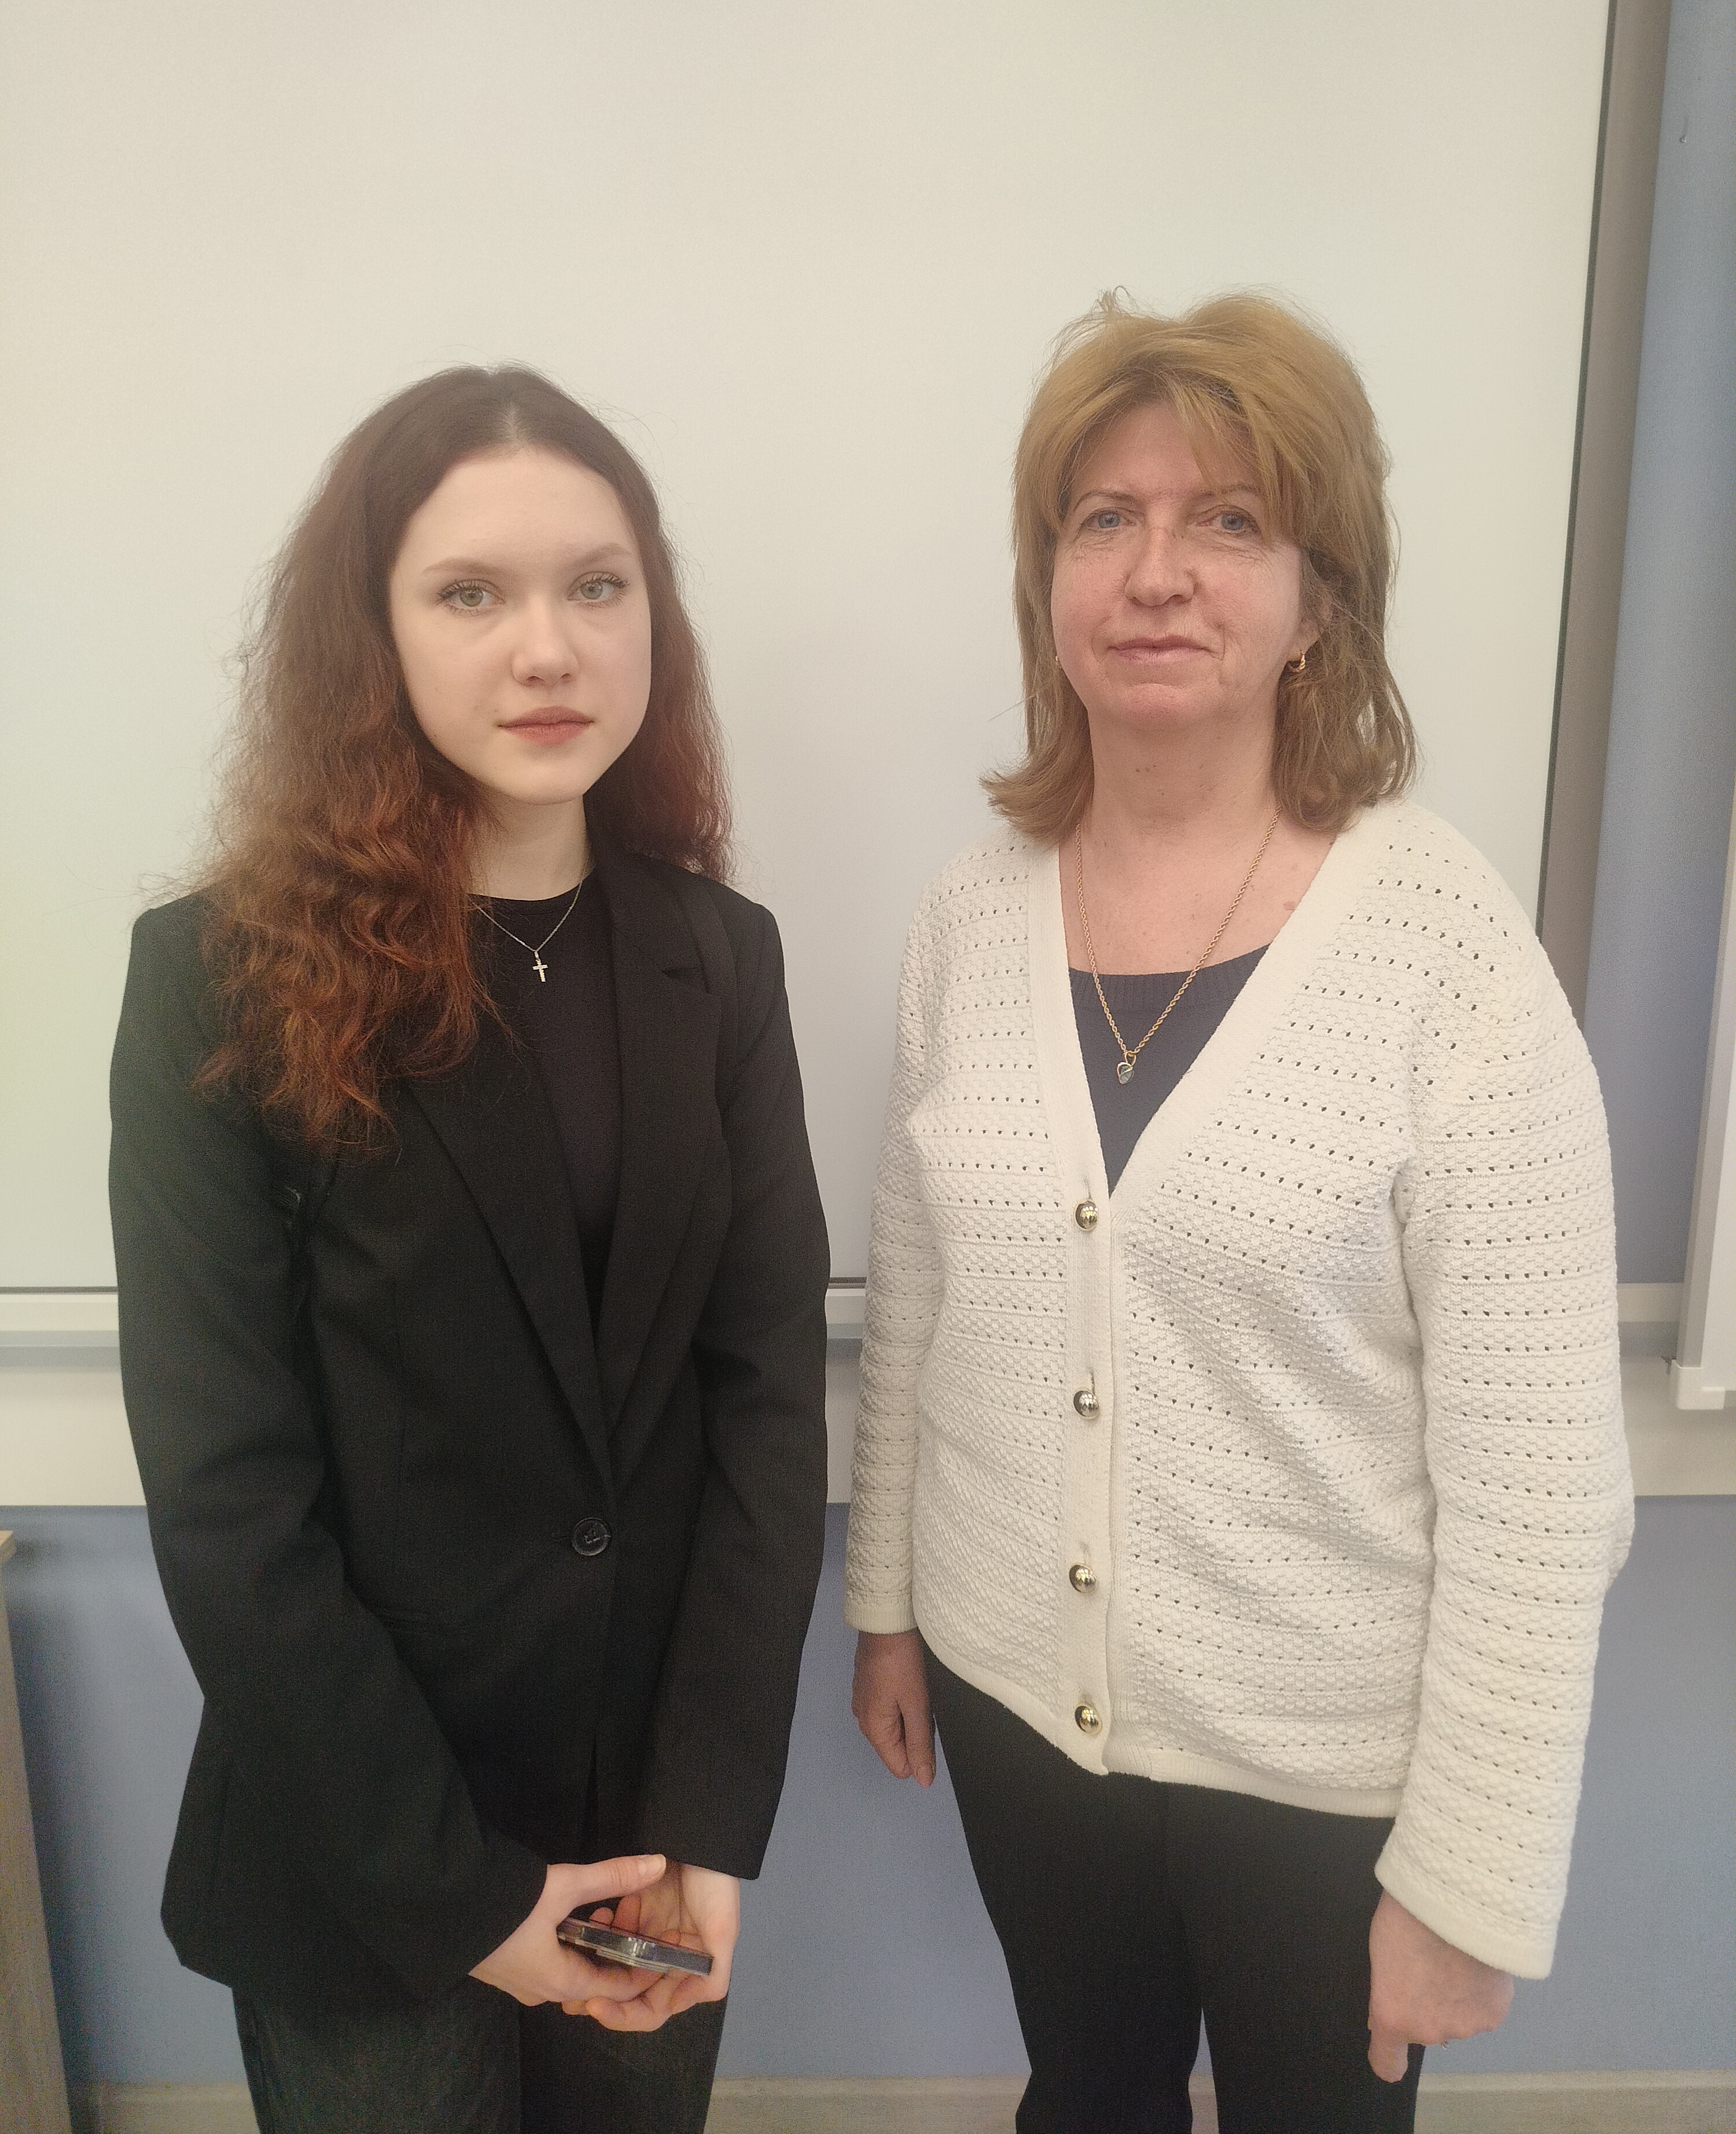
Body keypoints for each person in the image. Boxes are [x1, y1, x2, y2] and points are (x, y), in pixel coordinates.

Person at [845, 295, 1632, 2134]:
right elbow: (921, 1302)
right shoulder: (971, 916)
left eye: (1229, 521)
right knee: (1088, 2097)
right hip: (1014, 1709)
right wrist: (887, 1609)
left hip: (1325, 1770)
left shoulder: (1444, 948)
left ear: (1318, 598)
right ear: (1050, 581)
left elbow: (1540, 1480)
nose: (1157, 572)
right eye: (1104, 520)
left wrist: (1471, 1881)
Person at [109, 366, 830, 2134]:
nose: (548, 649)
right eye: (470, 593)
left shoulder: (721, 958)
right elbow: (228, 1499)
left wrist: (711, 1823)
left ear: (653, 617)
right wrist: (475, 1906)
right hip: (362, 1853)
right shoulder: (218, 978)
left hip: (645, 1834)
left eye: (597, 585)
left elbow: (762, 1406)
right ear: (372, 636)